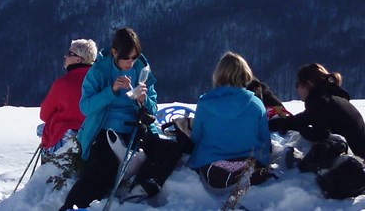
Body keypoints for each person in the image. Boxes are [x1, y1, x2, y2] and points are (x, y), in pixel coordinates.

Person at [59, 28, 182, 211]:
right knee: (100, 174)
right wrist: (112, 91)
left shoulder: (142, 68)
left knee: (170, 149)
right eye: (127, 58)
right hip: (106, 130)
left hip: (136, 129)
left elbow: (153, 108)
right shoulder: (99, 70)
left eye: (135, 57)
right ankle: (72, 207)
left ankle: (142, 187)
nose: (131, 62)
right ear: (115, 53)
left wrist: (144, 100)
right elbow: (86, 107)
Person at [188, 52, 272, 189]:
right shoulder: (256, 104)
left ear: (218, 75)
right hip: (250, 170)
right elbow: (265, 141)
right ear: (245, 74)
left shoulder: (205, 103)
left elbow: (196, 138)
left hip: (213, 170)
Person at [269, 63, 365, 161]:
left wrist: (300, 128)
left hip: (357, 162)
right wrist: (281, 123)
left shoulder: (319, 102)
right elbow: (305, 118)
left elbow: (320, 135)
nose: (297, 89)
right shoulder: (329, 97)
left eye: (297, 84)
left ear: (308, 83)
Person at [39, 38, 97, 159]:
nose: (65, 56)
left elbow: (44, 115)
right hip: (93, 138)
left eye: (70, 54)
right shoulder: (99, 82)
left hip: (62, 138)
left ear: (78, 59)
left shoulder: (63, 84)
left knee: (41, 130)